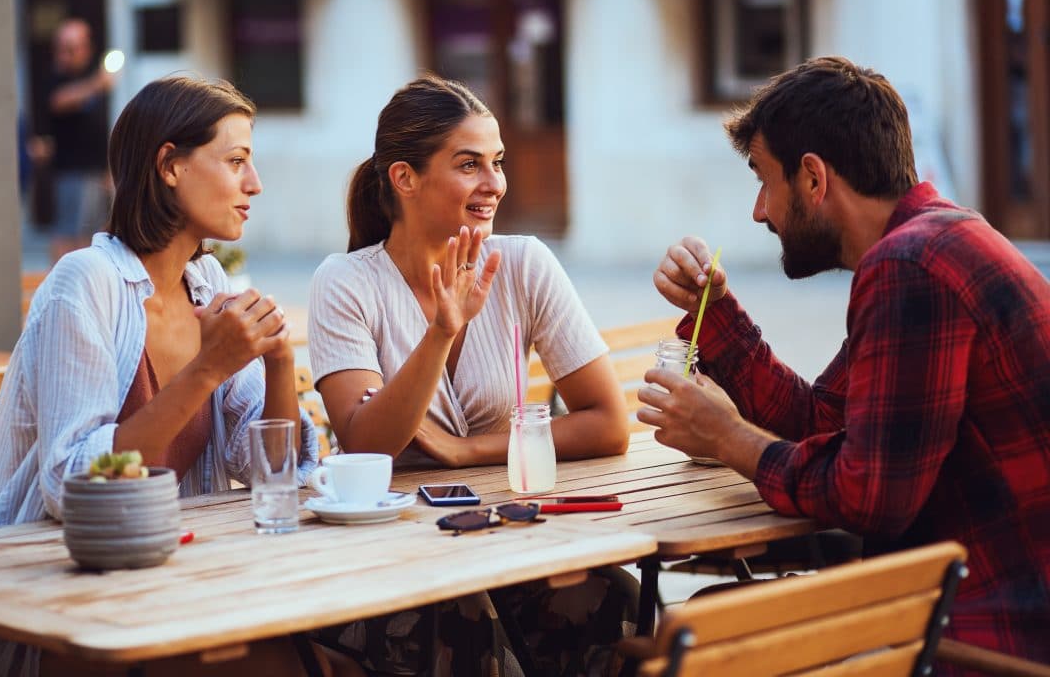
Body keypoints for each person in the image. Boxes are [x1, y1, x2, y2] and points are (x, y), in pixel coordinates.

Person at [0, 76, 360, 677]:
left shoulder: (210, 288)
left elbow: (268, 475)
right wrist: (208, 369)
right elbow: (72, 483)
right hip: (38, 609)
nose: (253, 184)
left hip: (166, 592)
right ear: (169, 165)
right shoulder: (86, 283)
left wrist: (280, 358)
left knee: (318, 663)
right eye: (235, 161)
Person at [638, 56, 1050, 667]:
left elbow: (869, 498)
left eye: (762, 179)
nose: (759, 211)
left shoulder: (908, 267)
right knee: (712, 613)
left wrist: (728, 439)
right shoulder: (936, 240)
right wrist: (716, 312)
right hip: (963, 609)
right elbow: (824, 419)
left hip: (993, 637)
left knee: (698, 643)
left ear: (812, 178)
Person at [307, 75, 633, 676]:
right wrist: (441, 333)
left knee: (610, 601)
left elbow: (609, 423)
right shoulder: (346, 282)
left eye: (498, 162)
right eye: (469, 165)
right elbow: (367, 443)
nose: (495, 184)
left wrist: (467, 451)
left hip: (506, 540)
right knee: (464, 626)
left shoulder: (525, 263)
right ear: (405, 178)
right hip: (393, 560)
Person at [44, 18, 115, 262]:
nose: (64, 55)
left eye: (71, 49)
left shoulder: (90, 75)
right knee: (68, 234)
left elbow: (100, 126)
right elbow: (59, 101)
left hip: (95, 171)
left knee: (93, 235)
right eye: (61, 48)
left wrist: (108, 169)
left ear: (86, 48)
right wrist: (98, 84)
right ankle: (61, 286)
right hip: (71, 171)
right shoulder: (57, 75)